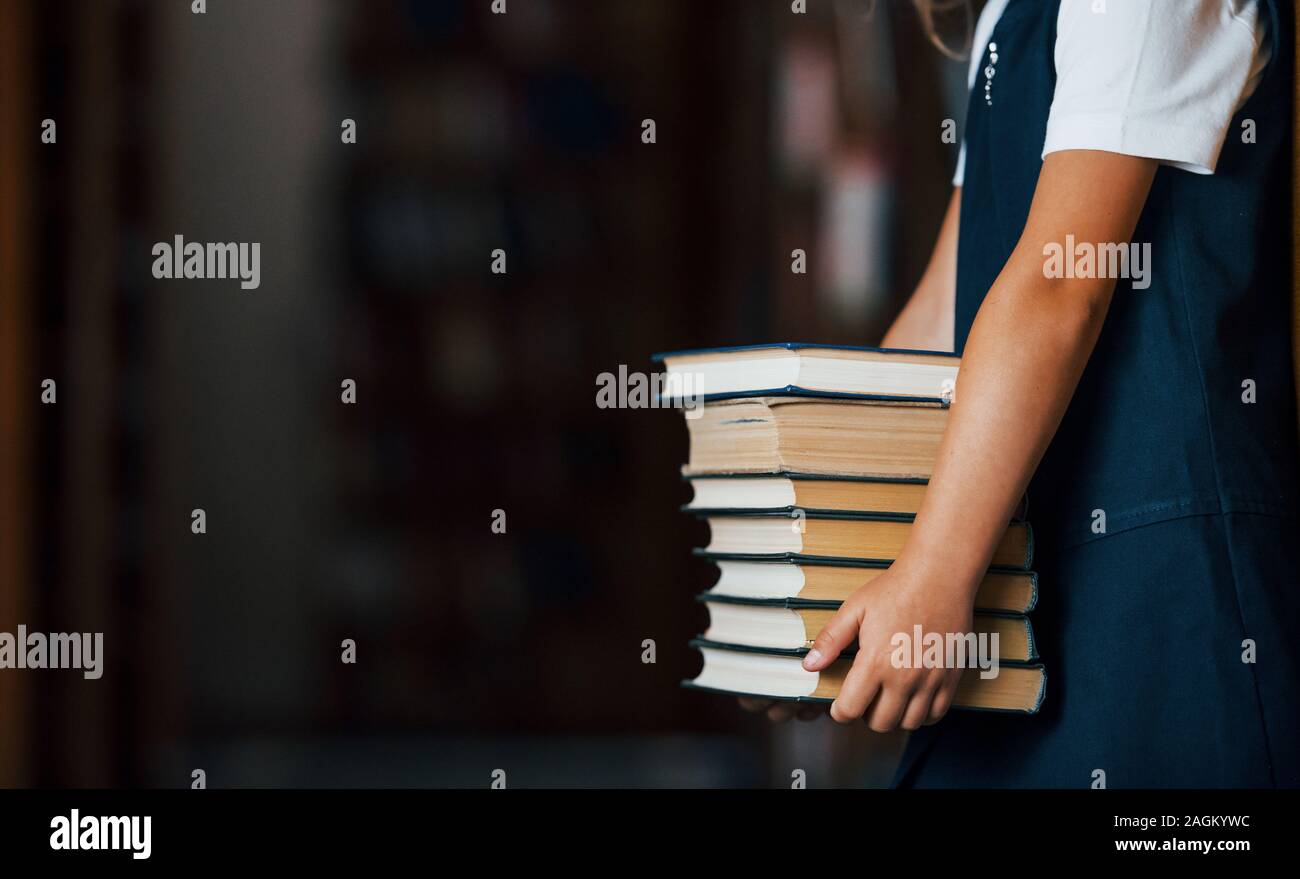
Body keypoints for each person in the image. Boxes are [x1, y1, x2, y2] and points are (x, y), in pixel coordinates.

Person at [745, 0, 1300, 787]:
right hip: (1009, 594)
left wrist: (936, 569)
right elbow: (945, 315)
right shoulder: (1007, 14)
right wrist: (826, 589)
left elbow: (1059, 283)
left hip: (1163, 590)